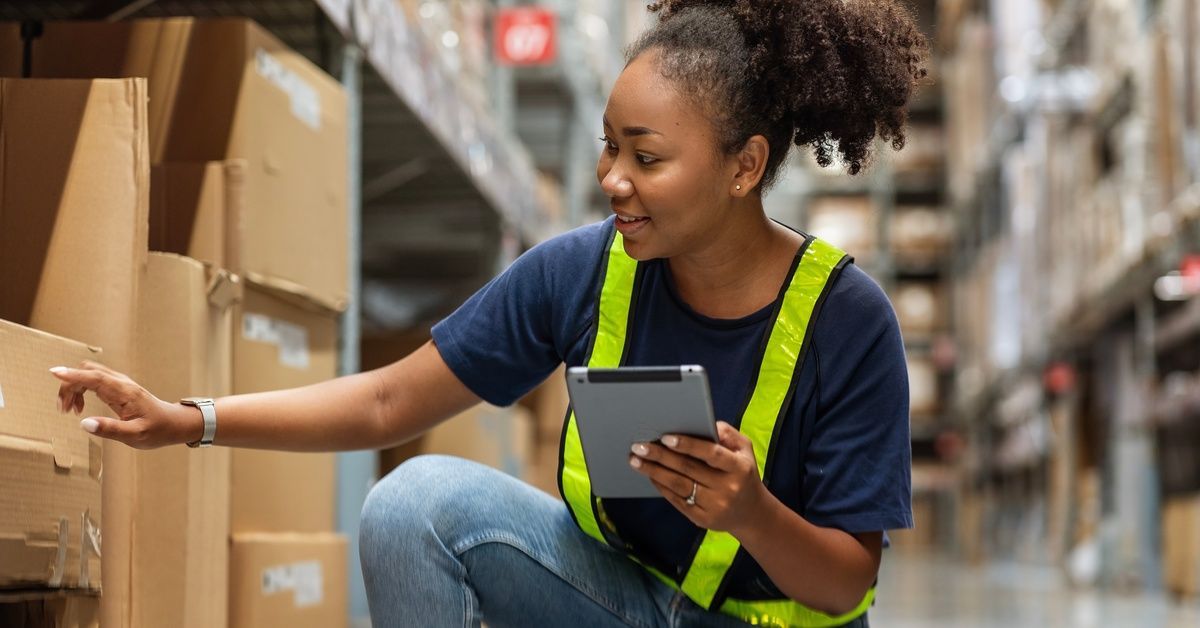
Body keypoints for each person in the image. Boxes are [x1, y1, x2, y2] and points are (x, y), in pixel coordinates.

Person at [52, 1, 928, 626]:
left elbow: (845, 584)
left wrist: (750, 514)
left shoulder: (848, 322)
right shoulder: (585, 270)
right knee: (414, 503)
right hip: (619, 601)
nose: (612, 178)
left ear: (745, 167)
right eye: (609, 146)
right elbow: (390, 402)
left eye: (647, 156)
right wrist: (188, 418)